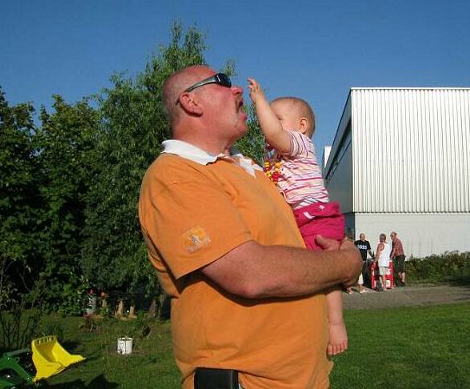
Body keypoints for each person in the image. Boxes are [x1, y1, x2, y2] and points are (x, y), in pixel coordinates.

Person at [138, 65, 362, 389]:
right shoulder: (175, 175)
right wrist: (345, 263)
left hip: (306, 379)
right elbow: (250, 273)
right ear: (191, 102)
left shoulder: (252, 169)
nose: (238, 90)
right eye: (222, 82)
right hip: (247, 381)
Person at [248, 78, 348, 356]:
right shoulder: (277, 157)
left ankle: (336, 322)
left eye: (277, 118)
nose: (268, 124)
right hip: (299, 218)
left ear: (301, 126)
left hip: (316, 217)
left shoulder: (299, 144)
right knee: (301, 271)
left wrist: (259, 101)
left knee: (327, 270)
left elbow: (273, 134)